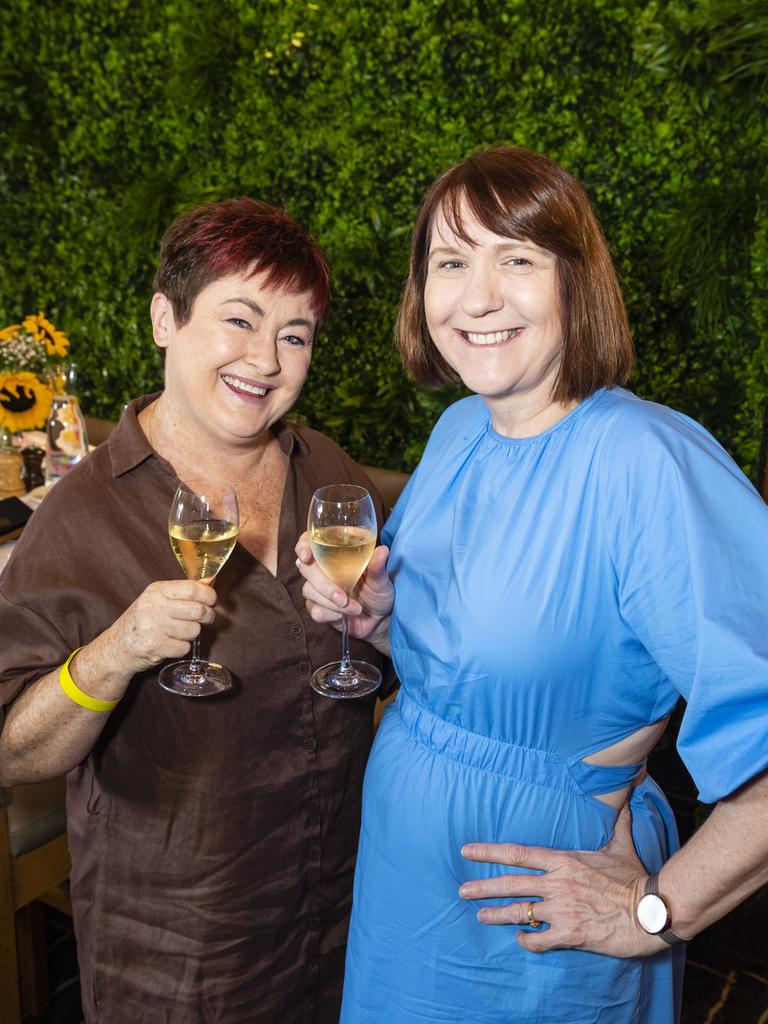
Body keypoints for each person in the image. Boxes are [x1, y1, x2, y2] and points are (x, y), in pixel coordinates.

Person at [296, 146, 768, 1022]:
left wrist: (656, 911)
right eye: (449, 262)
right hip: (406, 879)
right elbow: (467, 660)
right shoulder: (460, 432)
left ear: (575, 283)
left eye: (514, 259)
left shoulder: (648, 463)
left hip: (536, 916)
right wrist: (383, 618)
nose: (475, 297)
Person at [0, 197, 389, 1023]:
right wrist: (114, 654)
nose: (267, 359)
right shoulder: (86, 516)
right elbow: (12, 750)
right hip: (188, 953)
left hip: (348, 917)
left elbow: (380, 665)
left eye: (296, 334)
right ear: (164, 320)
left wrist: (381, 621)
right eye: (240, 320)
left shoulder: (324, 469)